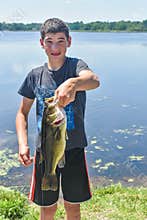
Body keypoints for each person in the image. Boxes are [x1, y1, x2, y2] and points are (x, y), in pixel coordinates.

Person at [16, 18, 100, 220]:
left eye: (60, 41)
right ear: (41, 43)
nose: (55, 47)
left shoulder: (76, 67)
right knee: (47, 208)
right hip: (45, 151)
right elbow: (22, 113)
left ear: (69, 42)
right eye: (49, 41)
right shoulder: (34, 76)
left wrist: (73, 83)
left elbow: (93, 80)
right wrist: (22, 144)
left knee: (73, 206)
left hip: (74, 150)